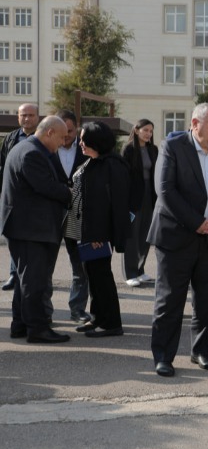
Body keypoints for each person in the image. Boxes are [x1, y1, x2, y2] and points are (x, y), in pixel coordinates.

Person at [148, 103, 208, 377]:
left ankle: (201, 351)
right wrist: (196, 222)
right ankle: (164, 356)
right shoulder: (173, 147)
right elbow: (165, 191)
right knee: (170, 300)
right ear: (195, 123)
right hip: (177, 236)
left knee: (207, 300)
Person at [1, 116, 71, 343]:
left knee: (25, 279)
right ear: (49, 132)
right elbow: (46, 187)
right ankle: (37, 329)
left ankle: (20, 324)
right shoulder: (32, 153)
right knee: (34, 281)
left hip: (26, 227)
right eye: (61, 137)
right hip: (31, 228)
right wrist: (71, 194)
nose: (62, 143)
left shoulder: (27, 148)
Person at [67, 121, 131, 338]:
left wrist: (100, 236)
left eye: (84, 139)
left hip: (97, 234)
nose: (80, 143)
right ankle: (98, 318)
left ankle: (111, 323)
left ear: (97, 140)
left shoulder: (113, 165)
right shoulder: (94, 162)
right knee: (93, 276)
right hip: (85, 231)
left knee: (102, 277)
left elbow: (114, 205)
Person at [0, 103, 40, 291]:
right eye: (23, 115)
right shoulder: (11, 138)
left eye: (31, 115)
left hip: (36, 198)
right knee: (13, 237)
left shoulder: (43, 137)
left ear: (37, 117)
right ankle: (14, 274)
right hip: (13, 198)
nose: (27, 118)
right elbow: (3, 166)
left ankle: (28, 275)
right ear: (18, 117)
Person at [55, 110, 90, 323]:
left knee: (80, 266)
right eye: (62, 131)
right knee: (44, 266)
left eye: (70, 130)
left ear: (77, 128)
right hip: (51, 215)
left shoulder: (86, 149)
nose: (66, 135)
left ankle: (78, 309)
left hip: (78, 215)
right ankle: (42, 311)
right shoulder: (46, 149)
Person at [121, 119, 158, 287]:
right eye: (145, 130)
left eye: (150, 131)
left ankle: (140, 270)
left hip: (150, 197)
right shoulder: (128, 149)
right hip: (133, 199)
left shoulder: (153, 149)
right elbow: (123, 176)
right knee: (132, 237)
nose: (148, 133)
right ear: (136, 131)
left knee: (145, 235)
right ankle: (130, 273)